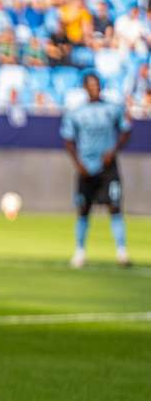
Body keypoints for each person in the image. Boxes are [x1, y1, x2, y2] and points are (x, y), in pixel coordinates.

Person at [60, 73, 132, 269]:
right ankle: (80, 251)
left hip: (108, 168)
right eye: (91, 85)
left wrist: (114, 151)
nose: (95, 88)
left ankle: (122, 252)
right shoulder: (76, 113)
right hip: (85, 168)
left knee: (115, 207)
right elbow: (67, 139)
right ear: (84, 87)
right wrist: (77, 163)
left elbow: (126, 130)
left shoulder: (112, 108)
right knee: (83, 210)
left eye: (97, 85)